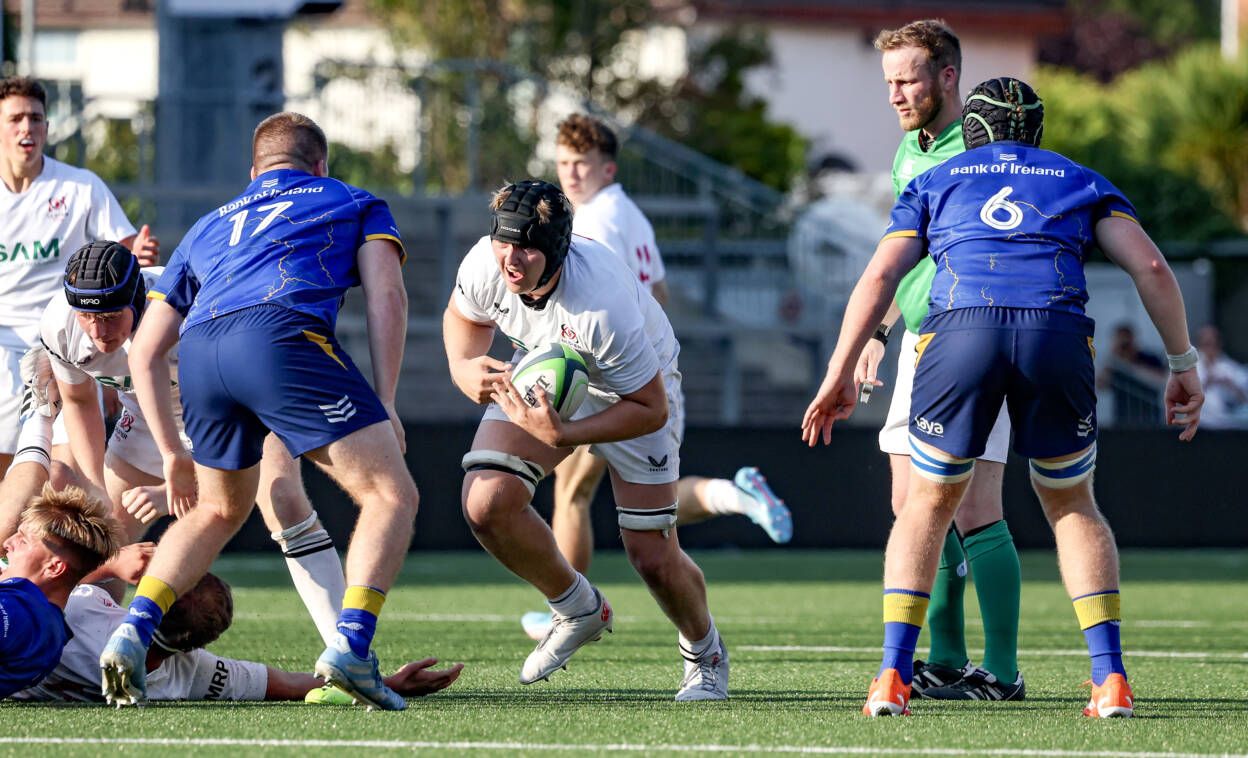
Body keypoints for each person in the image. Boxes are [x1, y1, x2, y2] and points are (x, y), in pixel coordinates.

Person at [803, 77, 1203, 718]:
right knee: (1072, 503)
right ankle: (1111, 681)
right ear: (1037, 131)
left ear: (975, 129)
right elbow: (1152, 268)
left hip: (961, 333)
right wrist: (1183, 363)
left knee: (927, 504)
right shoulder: (1082, 178)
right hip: (1056, 332)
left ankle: (891, 678)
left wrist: (839, 368)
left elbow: (882, 272)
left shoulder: (938, 177)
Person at [98, 112, 421, 711]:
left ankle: (132, 630)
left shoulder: (207, 224)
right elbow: (387, 294)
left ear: (254, 172)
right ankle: (352, 646)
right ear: (319, 165)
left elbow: (144, 350)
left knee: (218, 509)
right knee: (390, 495)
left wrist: (173, 454)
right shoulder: (353, 199)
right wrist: (388, 400)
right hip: (280, 337)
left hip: (199, 356)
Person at [444, 179, 728, 700]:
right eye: (504, 240)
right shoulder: (487, 261)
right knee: (486, 502)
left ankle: (705, 654)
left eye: (527, 245)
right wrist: (463, 371)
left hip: (635, 391)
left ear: (556, 250)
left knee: (651, 556)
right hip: (552, 370)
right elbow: (462, 319)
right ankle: (577, 608)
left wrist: (567, 434)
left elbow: (650, 408)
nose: (511, 257)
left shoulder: (598, 303)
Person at [517, 114, 793, 640]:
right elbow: (657, 295)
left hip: (610, 384)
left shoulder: (593, 221)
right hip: (648, 376)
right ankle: (734, 494)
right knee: (650, 509)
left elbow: (596, 303)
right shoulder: (633, 216)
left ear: (608, 167)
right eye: (563, 163)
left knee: (576, 497)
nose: (570, 174)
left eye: (582, 164)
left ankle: (566, 613)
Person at [35, 240, 346, 646]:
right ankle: (82, 650)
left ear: (139, 301)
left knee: (284, 502)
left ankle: (347, 650)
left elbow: (237, 415)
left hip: (239, 401)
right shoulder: (59, 324)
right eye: (86, 317)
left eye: (111, 317)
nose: (98, 332)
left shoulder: (195, 311)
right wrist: (95, 484)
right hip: (151, 413)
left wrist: (183, 486)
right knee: (102, 531)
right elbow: (78, 401)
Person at [857, 19, 1024, 700]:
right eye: (889, 81)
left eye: (907, 80)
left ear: (948, 76)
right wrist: (877, 333)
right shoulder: (910, 147)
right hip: (920, 341)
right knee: (911, 504)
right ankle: (949, 658)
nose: (895, 94)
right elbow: (906, 255)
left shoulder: (985, 150)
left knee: (975, 507)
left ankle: (1005, 670)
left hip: (976, 341)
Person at [13, 562, 463, 704]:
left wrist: (113, 562)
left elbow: (30, 583)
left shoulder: (84, 611)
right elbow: (290, 684)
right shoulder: (191, 675)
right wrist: (387, 684)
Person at [0, 76, 159, 477]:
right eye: (15, 118)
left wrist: (136, 256)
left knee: (64, 475)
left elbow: (124, 257)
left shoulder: (80, 187)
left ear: (47, 128)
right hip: (4, 346)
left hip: (65, 342)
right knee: (11, 473)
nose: (27, 128)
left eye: (36, 118)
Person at [0, 482, 121, 698]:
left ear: (54, 567)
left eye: (23, 540)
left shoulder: (19, 612)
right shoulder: (49, 633)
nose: (8, 543)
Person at [1096, 323, 1166, 426]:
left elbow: (1161, 380)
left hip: (1150, 418)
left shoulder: (1150, 358)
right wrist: (1112, 357)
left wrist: (1130, 364)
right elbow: (1099, 385)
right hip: (1122, 420)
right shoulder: (1114, 364)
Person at [1194, 324, 1248, 429]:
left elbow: (1244, 399)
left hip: (1224, 425)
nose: (1210, 348)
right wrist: (1206, 383)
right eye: (1206, 344)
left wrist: (1229, 385)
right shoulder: (1189, 367)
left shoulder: (1229, 366)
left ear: (1219, 344)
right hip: (1196, 425)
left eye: (1213, 344)